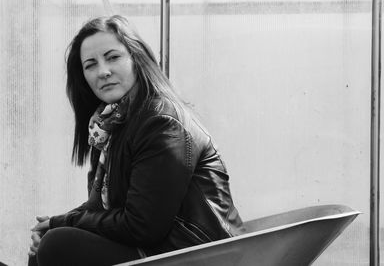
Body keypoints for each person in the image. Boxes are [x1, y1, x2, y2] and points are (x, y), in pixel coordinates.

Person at [28, 15, 244, 266]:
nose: (103, 72)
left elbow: (142, 226)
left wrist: (63, 223)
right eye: (90, 65)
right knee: (47, 241)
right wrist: (52, 223)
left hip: (201, 255)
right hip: (160, 248)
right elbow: (100, 208)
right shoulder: (109, 125)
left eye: (113, 57)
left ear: (136, 58)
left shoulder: (162, 122)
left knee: (58, 245)